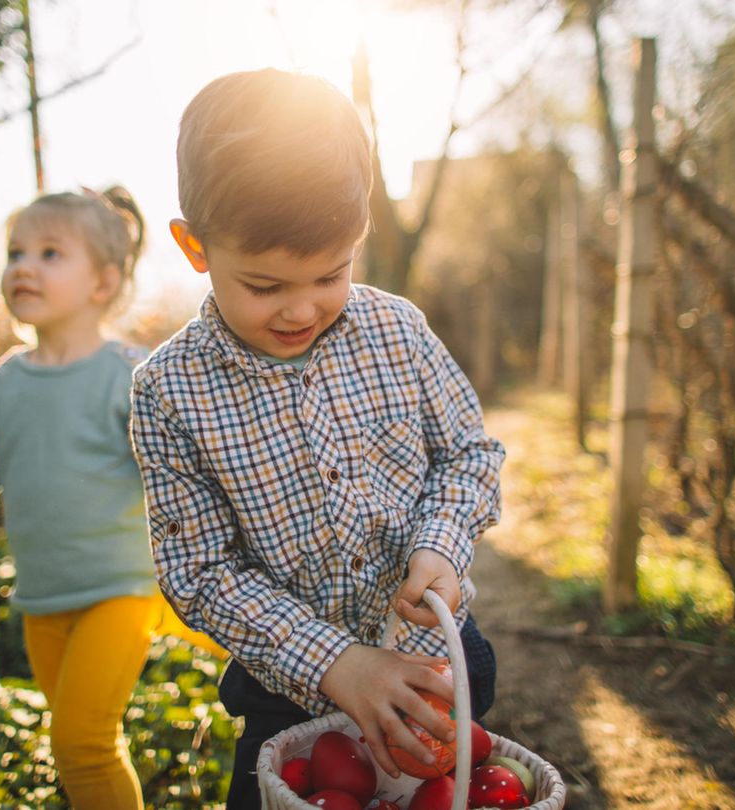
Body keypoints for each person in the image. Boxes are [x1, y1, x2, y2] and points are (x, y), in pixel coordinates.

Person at [129, 69, 504, 809]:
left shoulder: (397, 332)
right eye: (265, 286)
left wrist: (442, 545)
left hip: (437, 669)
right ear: (194, 246)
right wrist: (336, 662)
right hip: (289, 696)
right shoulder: (169, 392)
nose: (302, 308)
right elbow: (198, 569)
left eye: (331, 273)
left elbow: (470, 453)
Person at [0, 188, 223, 810]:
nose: (24, 267)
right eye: (15, 252)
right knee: (77, 754)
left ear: (102, 282)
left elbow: (193, 467)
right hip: (43, 603)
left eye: (49, 253)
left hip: (121, 590)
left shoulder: (130, 374)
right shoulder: (3, 385)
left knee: (82, 744)